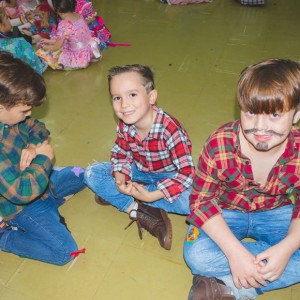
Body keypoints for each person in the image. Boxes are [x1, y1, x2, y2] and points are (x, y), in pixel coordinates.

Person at [184, 58, 300, 299]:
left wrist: (288, 247)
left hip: (275, 212)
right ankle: (243, 277)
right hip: (225, 210)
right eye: (250, 113)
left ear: (297, 114)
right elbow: (201, 201)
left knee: (289, 251)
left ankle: (230, 287)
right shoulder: (219, 143)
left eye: (275, 115)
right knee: (196, 256)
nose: (260, 127)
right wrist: (235, 253)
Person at [84, 64, 195, 250]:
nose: (124, 105)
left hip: (168, 177)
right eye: (117, 97)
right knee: (91, 174)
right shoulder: (125, 122)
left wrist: (154, 194)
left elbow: (186, 173)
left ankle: (132, 196)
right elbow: (120, 152)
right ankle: (136, 209)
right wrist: (120, 174)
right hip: (139, 171)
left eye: (132, 95)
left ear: (151, 97)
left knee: (192, 202)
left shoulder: (170, 129)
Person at [0, 51, 86, 265]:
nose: (28, 115)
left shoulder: (10, 119)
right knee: (66, 253)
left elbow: (39, 128)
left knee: (81, 174)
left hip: (40, 185)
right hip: (21, 207)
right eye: (24, 110)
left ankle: (50, 204)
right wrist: (43, 159)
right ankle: (6, 237)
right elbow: (21, 193)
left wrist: (30, 145)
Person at [36, 0, 100, 70]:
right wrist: (49, 41)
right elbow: (71, 37)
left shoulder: (64, 24)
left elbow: (56, 47)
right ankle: (85, 60)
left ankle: (69, 65)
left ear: (56, 8)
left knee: (44, 53)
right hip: (88, 51)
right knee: (62, 46)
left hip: (78, 56)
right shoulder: (77, 15)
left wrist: (44, 46)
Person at [0, 7, 47, 74]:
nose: (9, 21)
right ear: (1, 26)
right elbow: (35, 64)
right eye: (7, 18)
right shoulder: (18, 42)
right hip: (26, 77)